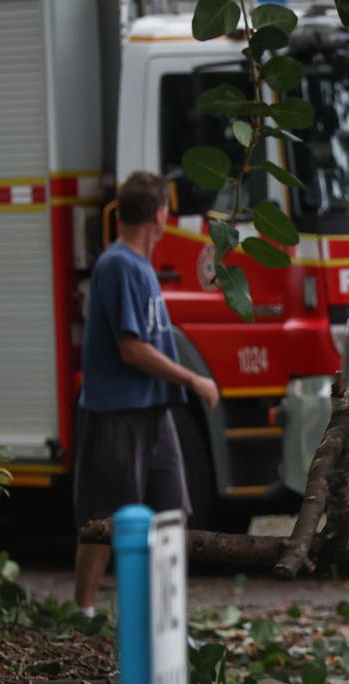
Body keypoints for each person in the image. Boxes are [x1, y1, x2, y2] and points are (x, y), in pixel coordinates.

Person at [72, 171, 219, 616]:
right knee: (106, 522)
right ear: (160, 215)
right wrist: (193, 379)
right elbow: (132, 348)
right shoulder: (117, 265)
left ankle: (165, 619)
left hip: (157, 412)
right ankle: (84, 615)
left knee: (173, 513)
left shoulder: (139, 265)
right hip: (117, 412)